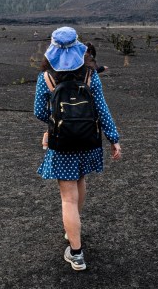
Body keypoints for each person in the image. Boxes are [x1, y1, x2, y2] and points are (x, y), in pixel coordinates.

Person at [34, 26, 122, 271]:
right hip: (88, 141)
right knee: (80, 182)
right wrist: (114, 138)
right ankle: (74, 232)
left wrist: (56, 120)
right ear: (77, 48)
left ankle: (76, 252)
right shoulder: (90, 76)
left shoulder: (46, 78)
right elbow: (102, 110)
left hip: (62, 143)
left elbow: (39, 112)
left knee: (67, 199)